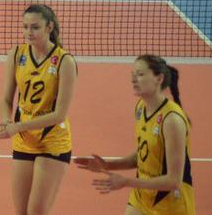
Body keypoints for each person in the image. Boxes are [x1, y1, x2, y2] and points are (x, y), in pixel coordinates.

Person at [75, 55, 195, 215]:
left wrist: (126, 181)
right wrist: (107, 165)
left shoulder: (172, 120)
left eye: (140, 74)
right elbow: (144, 155)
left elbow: (173, 181)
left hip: (170, 205)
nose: (133, 80)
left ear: (159, 79)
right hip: (141, 198)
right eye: (132, 75)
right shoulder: (141, 108)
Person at [0, 4, 77, 215]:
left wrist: (18, 126)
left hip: (52, 141)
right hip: (24, 140)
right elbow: (6, 98)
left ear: (49, 27)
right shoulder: (17, 54)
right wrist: (6, 121)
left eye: (35, 27)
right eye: (25, 27)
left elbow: (59, 114)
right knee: (21, 211)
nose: (28, 32)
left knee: (36, 211)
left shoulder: (64, 61)